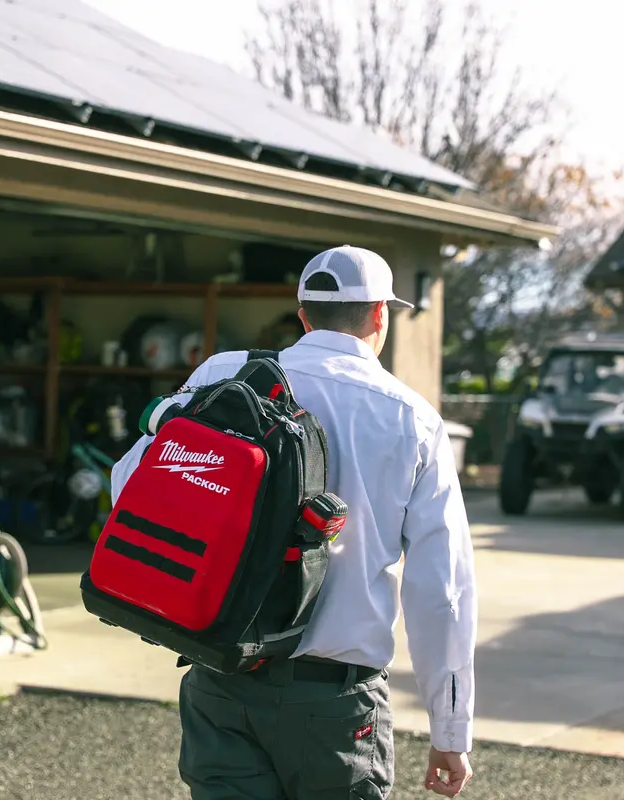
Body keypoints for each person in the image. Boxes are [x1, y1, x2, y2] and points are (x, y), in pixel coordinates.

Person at [108, 245, 478, 799]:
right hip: (333, 705)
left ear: (303, 315)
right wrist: (450, 730)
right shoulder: (413, 420)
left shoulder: (225, 374)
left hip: (221, 678)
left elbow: (127, 484)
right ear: (380, 315)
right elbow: (442, 590)